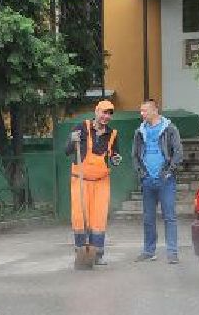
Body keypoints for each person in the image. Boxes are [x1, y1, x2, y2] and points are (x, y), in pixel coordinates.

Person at [70, 100, 123, 266]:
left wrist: (116, 159)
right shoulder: (81, 127)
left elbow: (114, 157)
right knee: (80, 216)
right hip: (80, 181)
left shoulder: (113, 134)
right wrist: (73, 141)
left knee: (98, 218)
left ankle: (97, 255)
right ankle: (81, 252)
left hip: (101, 182)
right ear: (96, 111)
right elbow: (67, 150)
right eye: (103, 112)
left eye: (109, 114)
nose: (106, 116)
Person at [132, 99, 184, 264]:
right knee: (148, 218)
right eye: (141, 111)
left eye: (144, 111)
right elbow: (134, 154)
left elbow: (178, 152)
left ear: (155, 110)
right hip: (147, 180)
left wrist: (169, 172)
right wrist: (141, 173)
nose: (142, 114)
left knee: (169, 217)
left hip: (165, 180)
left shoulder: (169, 129)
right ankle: (148, 252)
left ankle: (172, 253)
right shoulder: (140, 131)